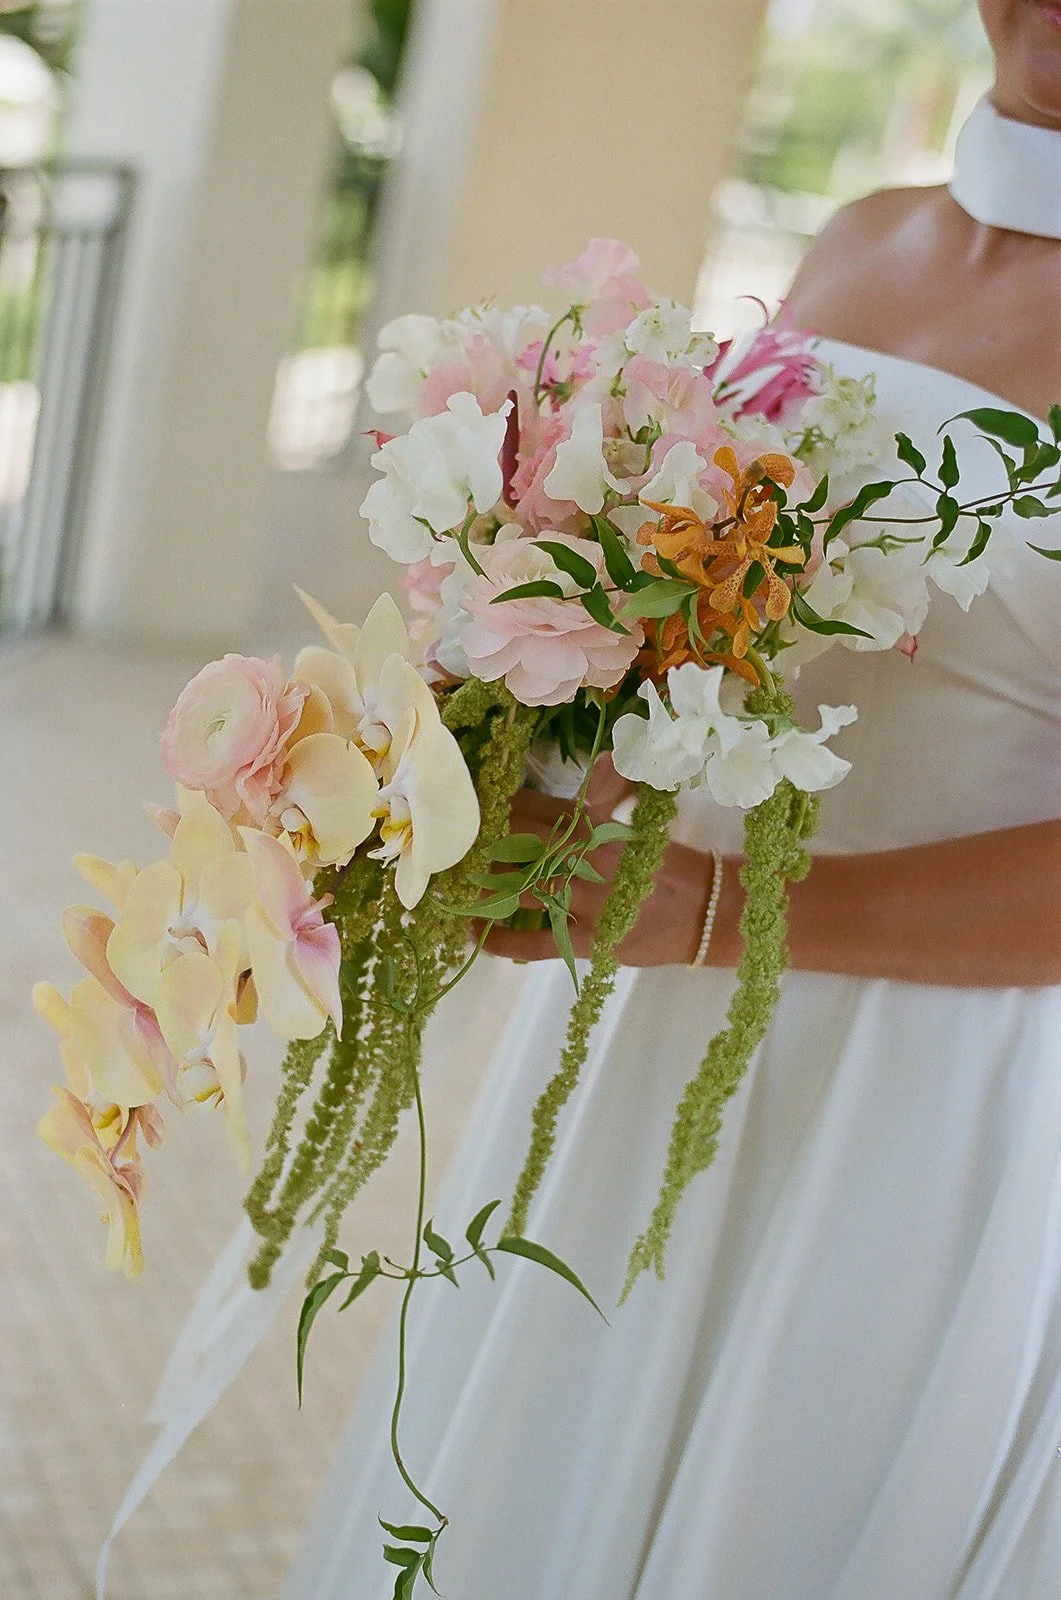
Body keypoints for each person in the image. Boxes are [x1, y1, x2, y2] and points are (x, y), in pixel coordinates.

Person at [281, 5, 1061, 1596]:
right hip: (668, 1018)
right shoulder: (863, 237)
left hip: (956, 1092)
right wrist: (496, 742)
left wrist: (717, 913)